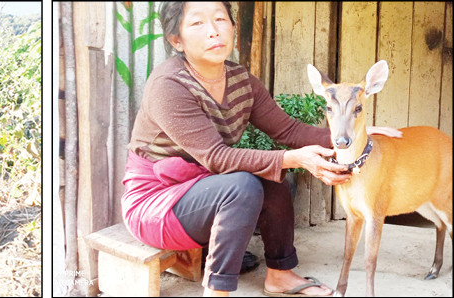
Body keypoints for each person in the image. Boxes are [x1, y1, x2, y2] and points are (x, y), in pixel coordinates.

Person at [121, 2, 401, 297]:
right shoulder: (169, 85)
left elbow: (289, 130)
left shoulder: (241, 81)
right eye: (197, 24)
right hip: (156, 203)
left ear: (232, 26)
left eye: (220, 19)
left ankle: (280, 275)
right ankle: (217, 290)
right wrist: (293, 159)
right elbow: (216, 158)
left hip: (204, 187)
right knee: (245, 185)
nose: (214, 31)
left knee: (275, 179)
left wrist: (355, 135)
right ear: (176, 40)